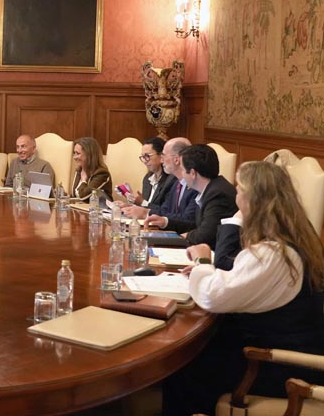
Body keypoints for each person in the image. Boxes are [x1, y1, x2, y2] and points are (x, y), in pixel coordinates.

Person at [163, 162, 324, 415]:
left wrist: (203, 261)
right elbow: (242, 279)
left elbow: (213, 296)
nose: (235, 197)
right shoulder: (293, 239)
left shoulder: (274, 253)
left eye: (239, 190)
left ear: (253, 199)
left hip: (275, 367)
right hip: (285, 352)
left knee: (181, 368)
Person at [146, 144, 237, 248]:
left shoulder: (218, 194)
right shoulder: (208, 189)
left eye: (183, 170)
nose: (182, 176)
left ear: (193, 173)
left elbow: (205, 234)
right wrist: (165, 222)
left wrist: (182, 237)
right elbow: (193, 224)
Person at [124, 137, 198, 226]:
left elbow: (189, 220)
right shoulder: (177, 183)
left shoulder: (195, 184)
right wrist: (135, 208)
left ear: (176, 159)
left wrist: (145, 212)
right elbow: (164, 210)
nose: (162, 160)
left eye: (164, 155)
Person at [118, 137, 175, 210]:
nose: (145, 161)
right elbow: (145, 206)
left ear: (161, 156)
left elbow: (164, 211)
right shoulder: (147, 178)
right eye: (143, 157)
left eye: (147, 156)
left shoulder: (171, 180)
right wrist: (129, 206)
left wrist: (142, 202)